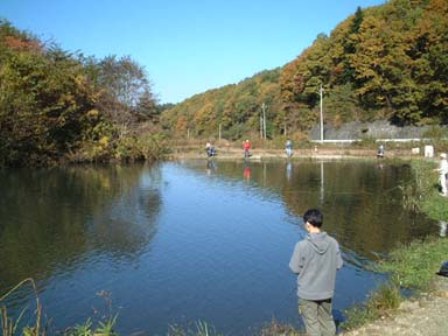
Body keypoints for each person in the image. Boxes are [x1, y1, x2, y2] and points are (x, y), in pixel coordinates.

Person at [289, 208, 343, 336]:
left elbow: (294, 268)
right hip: (326, 292)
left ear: (308, 224)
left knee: (312, 324)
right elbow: (339, 265)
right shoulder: (333, 243)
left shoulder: (301, 246)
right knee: (327, 321)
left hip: (307, 294)